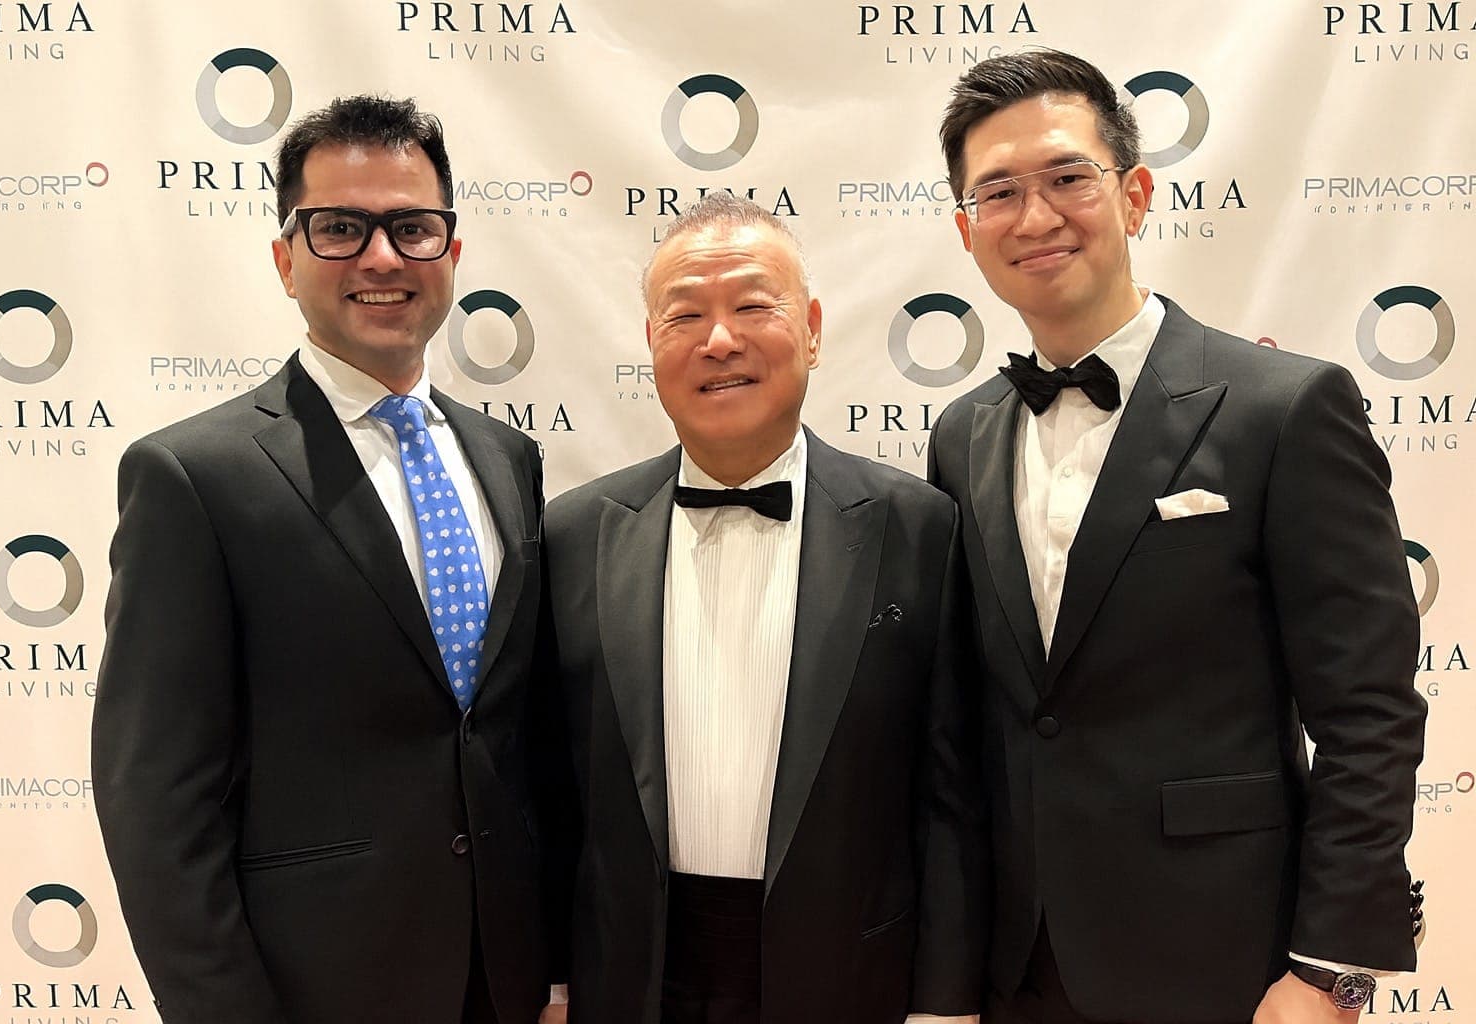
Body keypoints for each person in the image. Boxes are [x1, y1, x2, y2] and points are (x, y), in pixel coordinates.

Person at [926, 49, 1426, 1024]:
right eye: (998, 193)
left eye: (1069, 177)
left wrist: (1329, 970)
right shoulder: (960, 435)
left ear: (1137, 194)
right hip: (1018, 972)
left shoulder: (1286, 408)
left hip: (1230, 971)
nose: (1035, 217)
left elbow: (1369, 711)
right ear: (965, 229)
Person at [91, 95, 562, 1024]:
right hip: (314, 991)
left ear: (452, 255)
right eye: (340, 228)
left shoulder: (509, 460)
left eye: (412, 228)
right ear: (285, 257)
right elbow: (156, 804)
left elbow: (512, 738)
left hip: (503, 985)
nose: (382, 258)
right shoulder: (194, 478)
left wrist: (550, 969)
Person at [544, 192, 987, 1024]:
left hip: (852, 975)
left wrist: (944, 1004)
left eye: (754, 305)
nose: (720, 340)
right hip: (632, 979)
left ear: (813, 327)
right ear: (650, 342)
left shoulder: (919, 528)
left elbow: (952, 798)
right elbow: (550, 791)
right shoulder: (573, 534)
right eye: (685, 316)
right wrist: (556, 983)